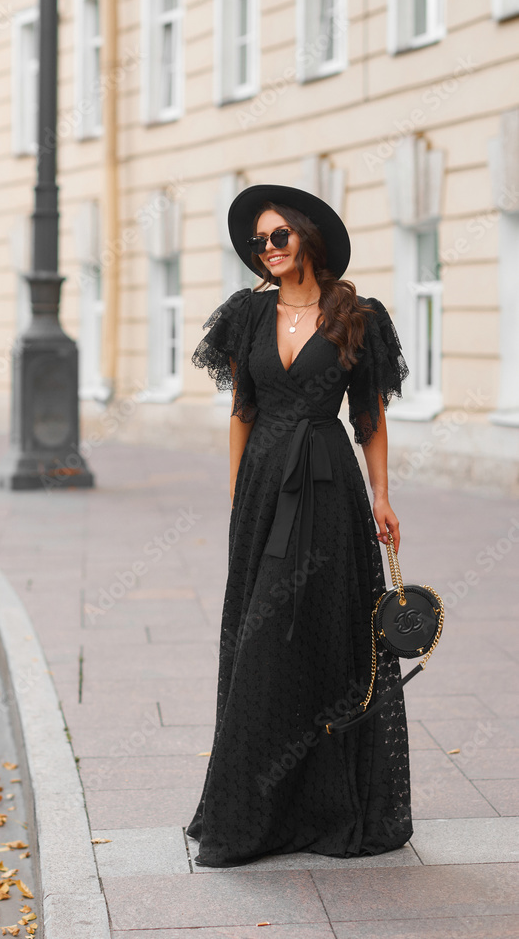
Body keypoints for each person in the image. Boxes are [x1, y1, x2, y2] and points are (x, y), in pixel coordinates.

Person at [186, 183, 412, 868]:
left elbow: (368, 416)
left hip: (328, 485)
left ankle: (315, 806)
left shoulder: (357, 317)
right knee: (258, 634)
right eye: (258, 241)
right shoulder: (246, 314)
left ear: (307, 238)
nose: (267, 249)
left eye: (278, 236)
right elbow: (242, 411)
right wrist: (237, 496)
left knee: (323, 633)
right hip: (262, 488)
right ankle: (252, 809)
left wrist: (381, 496)